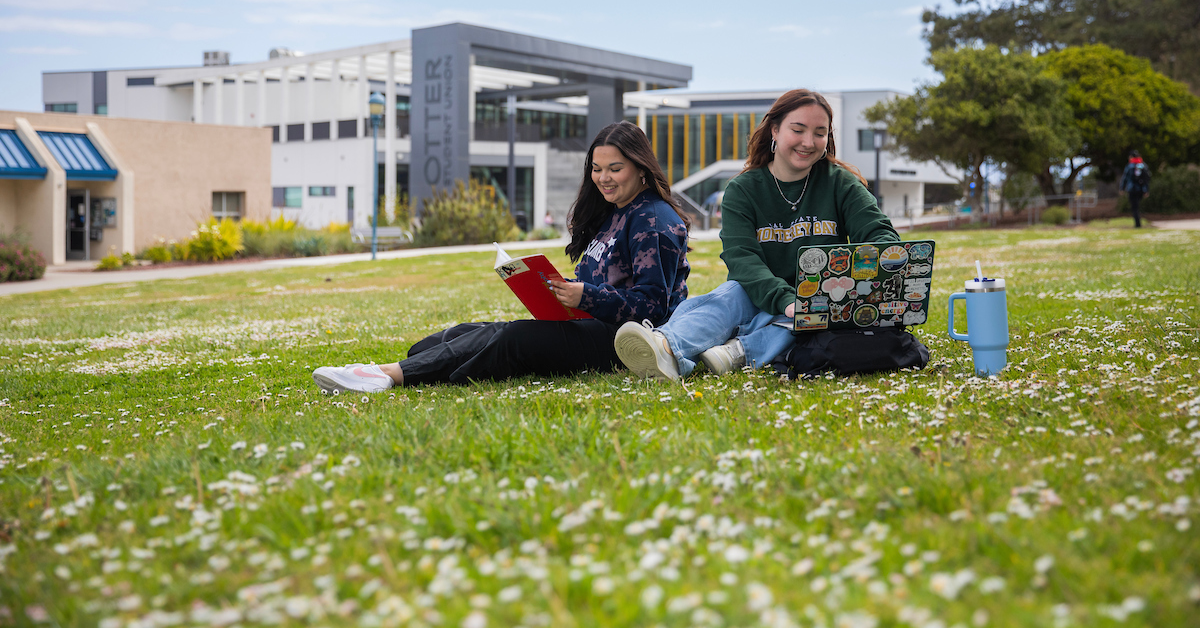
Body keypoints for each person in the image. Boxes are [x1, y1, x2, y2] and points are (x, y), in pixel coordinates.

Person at [311, 122, 690, 393]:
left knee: (512, 338)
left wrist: (584, 296)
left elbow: (652, 306)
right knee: (460, 335)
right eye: (596, 168)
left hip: (623, 342)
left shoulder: (653, 220)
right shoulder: (612, 213)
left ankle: (386, 375)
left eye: (615, 169)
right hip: (589, 323)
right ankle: (413, 364)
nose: (603, 178)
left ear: (641, 168)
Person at [614, 89, 898, 380]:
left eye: (820, 133)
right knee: (732, 294)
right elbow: (742, 259)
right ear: (775, 130)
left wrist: (874, 270)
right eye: (798, 130)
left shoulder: (841, 183)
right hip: (758, 292)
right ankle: (665, 347)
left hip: (823, 300)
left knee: (816, 317)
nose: (808, 142)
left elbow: (880, 234)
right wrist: (786, 300)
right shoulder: (743, 189)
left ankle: (736, 352)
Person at [1120, 150, 1151, 228]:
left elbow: (1125, 178)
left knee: (1134, 207)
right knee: (1137, 206)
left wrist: (1122, 188)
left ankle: (1137, 224)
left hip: (1132, 189)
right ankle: (1139, 222)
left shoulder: (1130, 166)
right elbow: (1147, 178)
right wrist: (1146, 189)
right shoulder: (1143, 165)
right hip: (1141, 189)